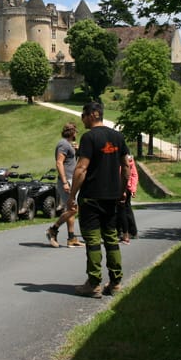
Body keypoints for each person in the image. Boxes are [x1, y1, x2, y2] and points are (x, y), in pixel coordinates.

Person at [68, 101, 130, 298]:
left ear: (93, 114)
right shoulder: (118, 137)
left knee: (93, 241)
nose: (82, 119)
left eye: (84, 115)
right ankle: (116, 282)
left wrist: (72, 195)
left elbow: (81, 168)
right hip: (111, 197)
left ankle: (94, 283)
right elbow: (126, 167)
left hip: (92, 198)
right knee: (111, 239)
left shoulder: (89, 138)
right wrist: (121, 191)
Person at [44, 122, 83, 248]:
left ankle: (71, 238)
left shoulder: (68, 145)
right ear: (72, 132)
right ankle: (52, 230)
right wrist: (65, 182)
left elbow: (69, 161)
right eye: (76, 131)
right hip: (66, 181)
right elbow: (59, 163)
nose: (77, 133)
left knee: (70, 209)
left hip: (72, 179)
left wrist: (76, 151)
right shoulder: (63, 144)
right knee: (73, 209)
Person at [117, 154, 139, 244]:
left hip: (124, 187)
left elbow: (133, 175)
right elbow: (134, 175)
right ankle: (130, 231)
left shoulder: (125, 159)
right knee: (125, 209)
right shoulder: (128, 158)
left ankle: (126, 232)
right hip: (123, 186)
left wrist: (132, 188)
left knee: (123, 209)